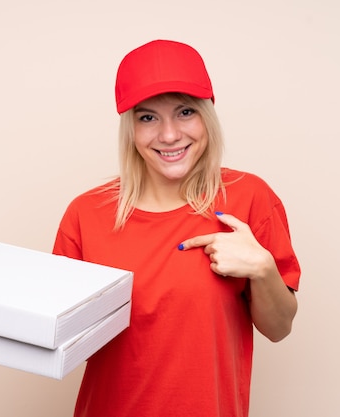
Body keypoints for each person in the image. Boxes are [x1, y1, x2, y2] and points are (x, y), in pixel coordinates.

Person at [53, 39, 301, 417]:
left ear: (208, 115)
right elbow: (61, 339)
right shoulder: (87, 214)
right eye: (148, 117)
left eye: (185, 112)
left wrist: (263, 268)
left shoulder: (249, 198)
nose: (169, 135)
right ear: (130, 129)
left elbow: (279, 327)